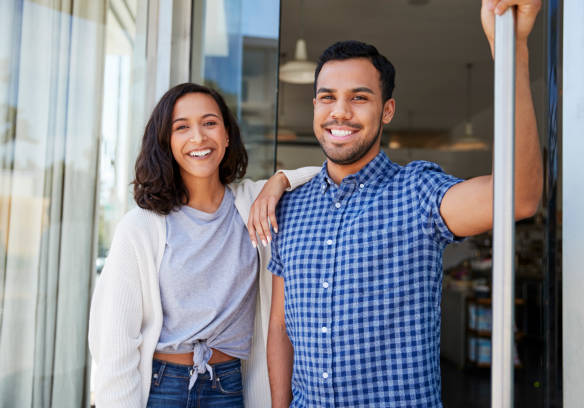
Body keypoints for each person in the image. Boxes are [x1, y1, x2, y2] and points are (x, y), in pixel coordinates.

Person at [266, 0, 543, 406]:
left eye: (359, 97)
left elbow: (519, 196)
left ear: (387, 110)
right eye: (327, 97)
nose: (339, 111)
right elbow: (280, 326)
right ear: (315, 108)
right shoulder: (289, 208)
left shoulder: (417, 193)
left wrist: (513, 46)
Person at [88, 83, 318, 407]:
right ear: (168, 142)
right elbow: (115, 342)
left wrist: (279, 181)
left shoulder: (252, 203)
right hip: (162, 387)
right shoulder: (142, 226)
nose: (198, 137)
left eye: (209, 123)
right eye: (182, 127)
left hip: (229, 385)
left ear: (226, 136)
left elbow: (328, 172)